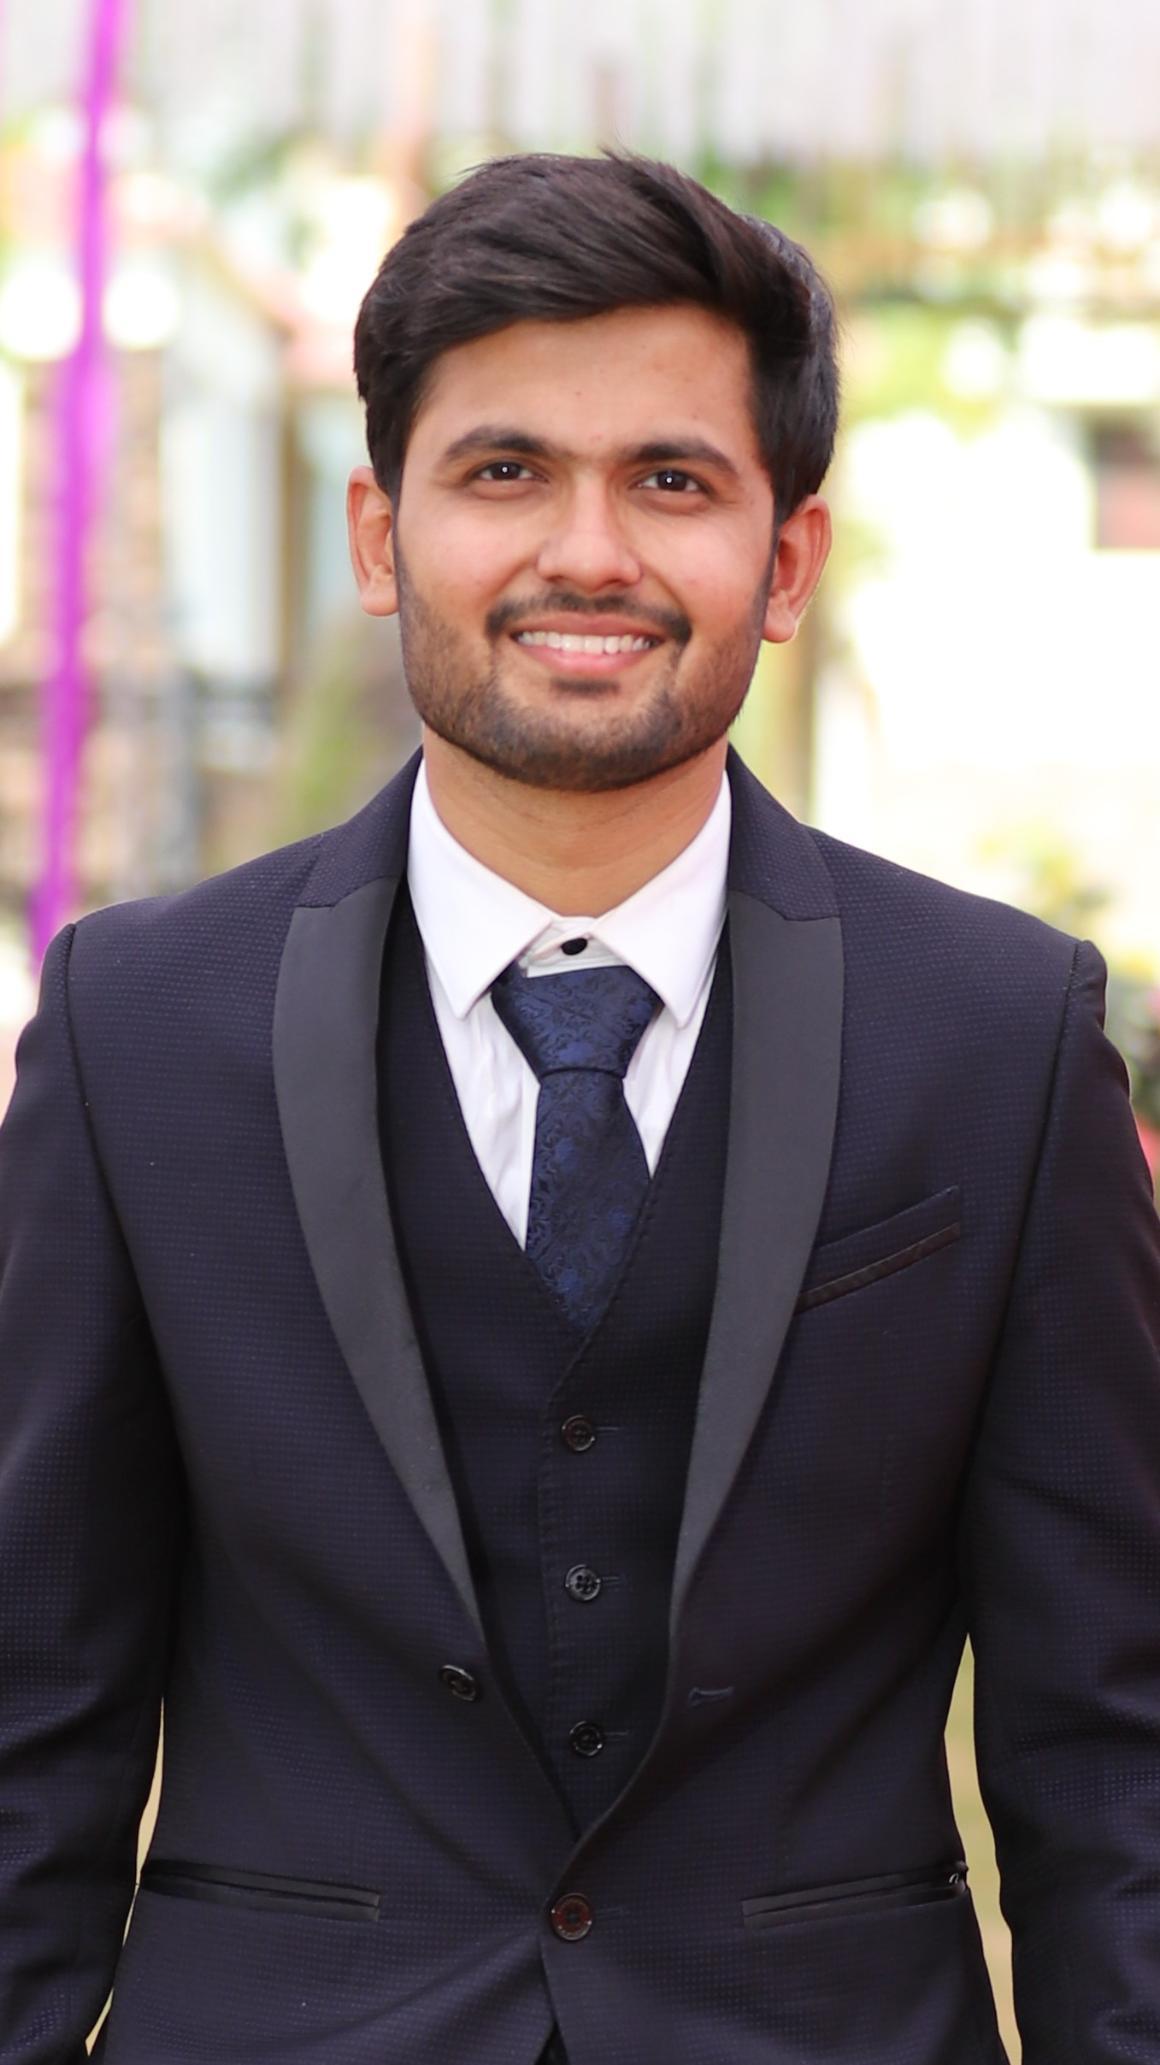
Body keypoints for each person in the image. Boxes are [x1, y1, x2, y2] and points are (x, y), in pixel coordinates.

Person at [1, 151, 1158, 2065]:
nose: (589, 553)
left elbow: (1110, 1743)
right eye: (505, 470)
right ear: (382, 535)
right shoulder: (140, 1027)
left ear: (785, 561)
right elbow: (32, 1696)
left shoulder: (999, 1035)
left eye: (674, 479)